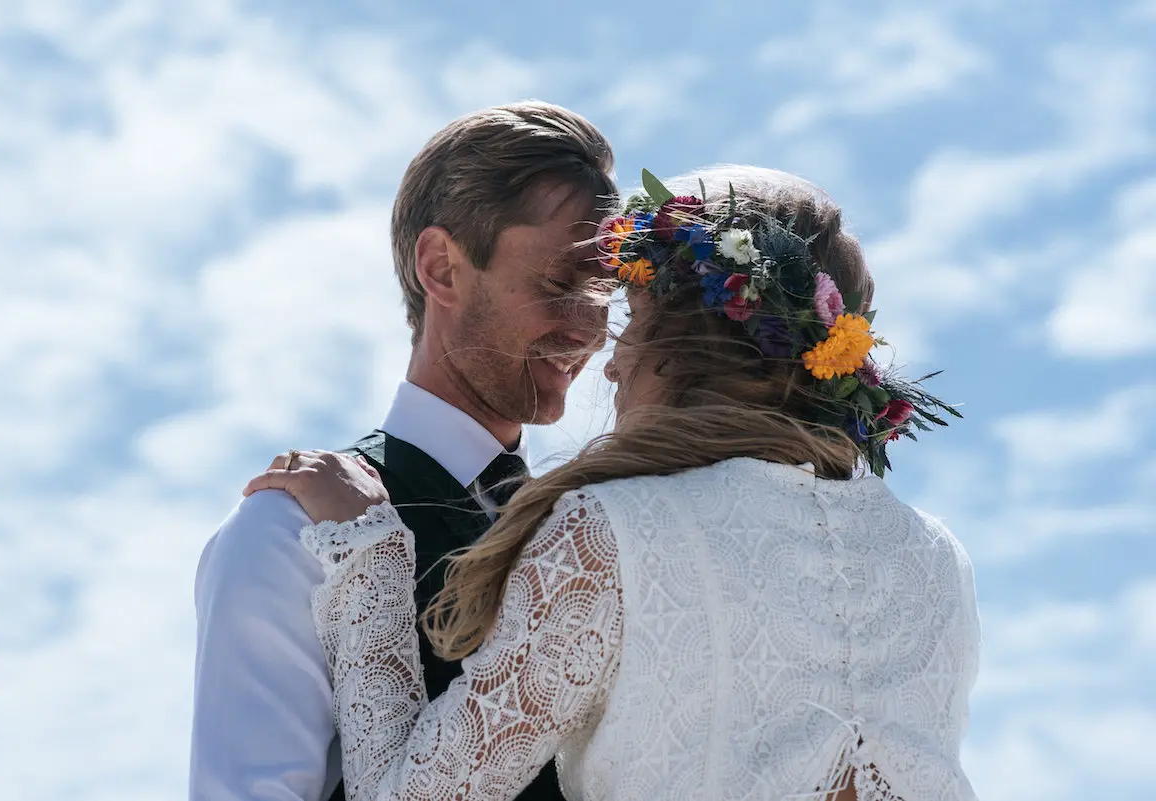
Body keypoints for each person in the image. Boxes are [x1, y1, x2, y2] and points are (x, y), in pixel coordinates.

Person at [244, 165, 981, 801]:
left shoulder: (611, 534)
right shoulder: (936, 556)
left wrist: (369, 548)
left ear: (684, 348)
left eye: (633, 321)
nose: (610, 360)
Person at [190, 101, 617, 801]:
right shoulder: (289, 534)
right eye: (559, 284)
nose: (589, 329)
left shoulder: (587, 536)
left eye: (604, 291)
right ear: (442, 267)